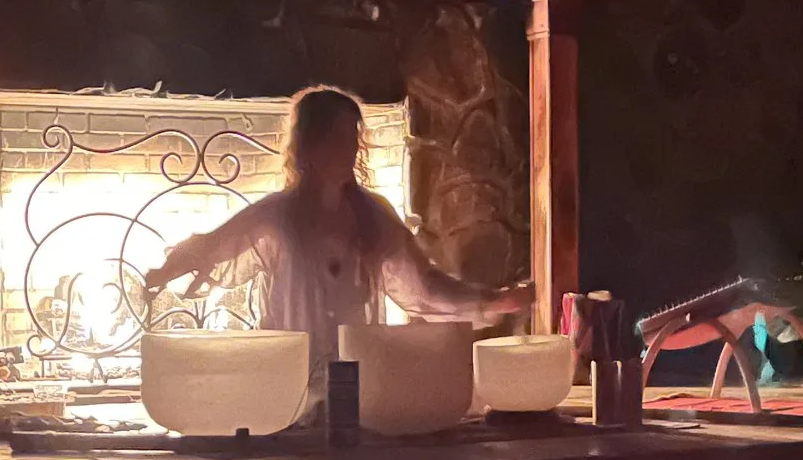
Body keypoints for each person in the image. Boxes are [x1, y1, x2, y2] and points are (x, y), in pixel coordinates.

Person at [136, 86, 529, 372]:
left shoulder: (373, 216)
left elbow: (422, 286)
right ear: (310, 145)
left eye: (353, 138)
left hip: (357, 381)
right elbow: (213, 248)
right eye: (337, 138)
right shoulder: (278, 216)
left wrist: (491, 302)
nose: (349, 149)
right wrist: (164, 272)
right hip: (289, 380)